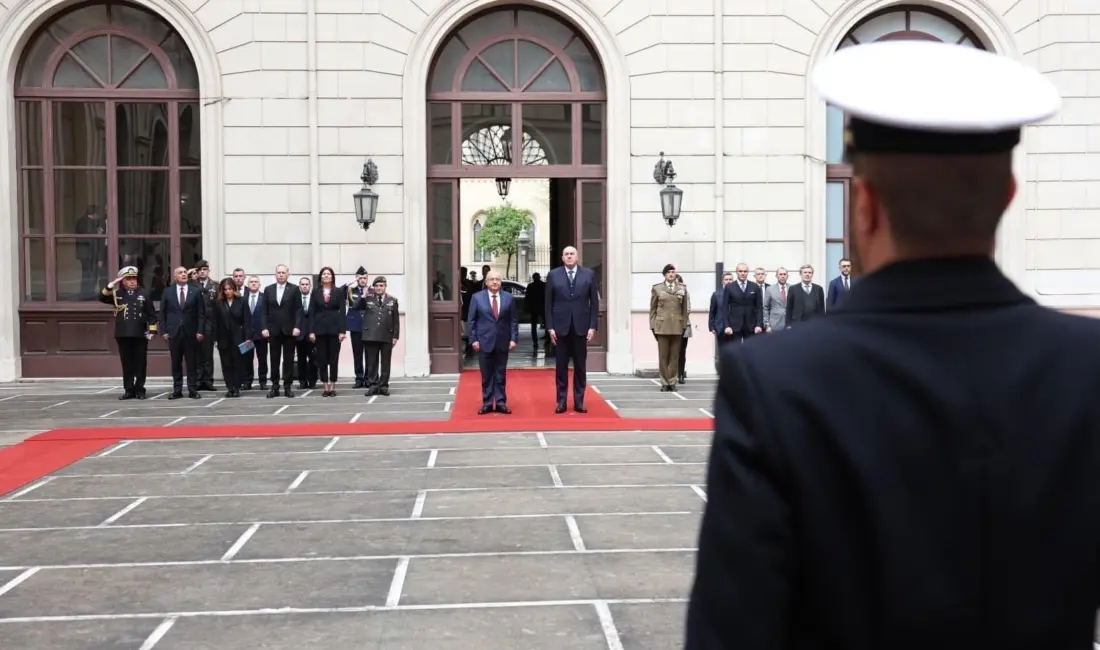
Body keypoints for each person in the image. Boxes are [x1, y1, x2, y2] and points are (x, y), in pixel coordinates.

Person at [685, 41, 1090, 649]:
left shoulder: (774, 382)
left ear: (865, 204)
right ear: (1007, 197)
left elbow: (734, 629)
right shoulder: (1085, 367)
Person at [544, 246, 599, 413]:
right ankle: (561, 402)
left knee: (580, 367)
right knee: (561, 367)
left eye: (571, 254)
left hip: (581, 328)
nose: (569, 256)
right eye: (566, 254)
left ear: (577, 257)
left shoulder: (588, 274)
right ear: (562, 257)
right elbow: (548, 304)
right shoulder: (554, 275)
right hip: (560, 329)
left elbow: (594, 304)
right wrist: (550, 327)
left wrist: (592, 326)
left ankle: (579, 402)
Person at [99, 265, 157, 400]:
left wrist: (152, 331)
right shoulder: (117, 294)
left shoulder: (144, 294)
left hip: (139, 333)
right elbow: (102, 297)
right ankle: (129, 389)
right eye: (129, 279)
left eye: (134, 279)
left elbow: (151, 315)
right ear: (123, 281)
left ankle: (140, 389)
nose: (132, 281)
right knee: (127, 363)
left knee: (140, 363)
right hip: (123, 334)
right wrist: (110, 285)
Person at [466, 270, 518, 414]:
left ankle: (501, 402)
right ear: (486, 282)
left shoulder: (508, 298)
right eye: (492, 279)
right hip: (483, 342)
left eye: (497, 279)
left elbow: (513, 320)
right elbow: (471, 321)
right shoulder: (477, 298)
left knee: (500, 374)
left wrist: (514, 338)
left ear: (501, 282)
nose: (495, 282)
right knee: (487, 375)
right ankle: (487, 402)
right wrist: (474, 339)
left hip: (503, 341)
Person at [157, 266, 206, 399]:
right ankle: (177, 390)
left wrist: (200, 330)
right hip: (174, 332)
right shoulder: (168, 292)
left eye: (185, 272)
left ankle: (192, 389)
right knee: (176, 362)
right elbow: (162, 313)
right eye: (180, 273)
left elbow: (201, 313)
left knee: (192, 362)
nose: (184, 274)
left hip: (191, 332)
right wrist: (163, 331)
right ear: (175, 277)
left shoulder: (195, 291)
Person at [260, 264, 303, 398]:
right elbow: (264, 311)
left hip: (289, 330)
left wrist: (297, 326)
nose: (281, 274)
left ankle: (287, 386)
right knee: (274, 360)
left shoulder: (294, 289)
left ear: (288, 274)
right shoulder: (268, 290)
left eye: (283, 272)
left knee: (288, 359)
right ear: (275, 274)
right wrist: (264, 327)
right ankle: (275, 386)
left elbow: (298, 310)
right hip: (273, 331)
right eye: (279, 272)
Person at [355, 276, 399, 397]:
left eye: (381, 286)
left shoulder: (392, 300)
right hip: (371, 336)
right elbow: (356, 307)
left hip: (386, 336)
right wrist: (363, 296)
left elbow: (396, 320)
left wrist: (395, 336)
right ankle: (373, 385)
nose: (379, 288)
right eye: (377, 286)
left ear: (385, 287)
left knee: (385, 363)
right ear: (373, 287)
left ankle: (383, 386)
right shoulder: (368, 299)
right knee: (372, 363)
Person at [649, 264, 689, 392]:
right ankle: (664, 382)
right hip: (662, 326)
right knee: (663, 356)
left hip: (677, 326)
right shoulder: (657, 288)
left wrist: (683, 325)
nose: (671, 274)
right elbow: (653, 309)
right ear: (665, 275)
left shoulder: (682, 288)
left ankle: (672, 382)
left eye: (673, 272)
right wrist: (652, 326)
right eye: (669, 272)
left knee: (674, 356)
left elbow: (684, 310)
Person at [309, 266, 346, 397]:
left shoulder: (339, 292)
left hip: (335, 329)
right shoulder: (315, 292)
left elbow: (342, 312)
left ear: (332, 277)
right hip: (319, 330)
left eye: (328, 274)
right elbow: (311, 312)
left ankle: (333, 385)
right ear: (320, 277)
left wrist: (342, 331)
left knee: (333, 359)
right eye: (324, 274)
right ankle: (325, 386)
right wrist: (311, 331)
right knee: (322, 359)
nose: (326, 276)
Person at [211, 277, 251, 398]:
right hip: (223, 337)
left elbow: (247, 321)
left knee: (238, 363)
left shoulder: (242, 301)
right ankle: (230, 387)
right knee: (226, 364)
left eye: (230, 289)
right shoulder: (218, 303)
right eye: (225, 289)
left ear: (234, 289)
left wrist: (248, 338)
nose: (228, 291)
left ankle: (237, 387)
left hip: (239, 337)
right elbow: (215, 322)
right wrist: (215, 339)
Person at [345, 266, 373, 388]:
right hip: (356, 326)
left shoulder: (372, 291)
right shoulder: (351, 291)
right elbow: (353, 305)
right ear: (357, 279)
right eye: (360, 278)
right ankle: (359, 378)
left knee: (369, 353)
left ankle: (368, 378)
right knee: (357, 353)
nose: (362, 280)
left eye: (365, 278)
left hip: (368, 326)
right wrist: (350, 283)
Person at [193, 260, 218, 391]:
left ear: (208, 271)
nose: (202, 272)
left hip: (210, 325)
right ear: (196, 272)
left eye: (205, 269)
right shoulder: (192, 285)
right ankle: (198, 380)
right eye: (200, 270)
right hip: (196, 325)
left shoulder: (215, 286)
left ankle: (208, 380)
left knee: (208, 355)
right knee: (197, 355)